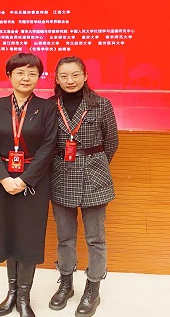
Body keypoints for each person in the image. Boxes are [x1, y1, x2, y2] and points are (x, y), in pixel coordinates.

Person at [0, 52, 58, 317]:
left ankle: (24, 296)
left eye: (32, 73)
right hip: (1, 180)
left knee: (28, 236)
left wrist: (24, 180)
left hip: (33, 182)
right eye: (20, 72)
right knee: (7, 233)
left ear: (39, 77)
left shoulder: (47, 108)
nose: (26, 78)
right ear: (9, 75)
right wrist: (4, 178)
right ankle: (11, 293)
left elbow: (49, 147)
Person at [48, 56, 119, 317]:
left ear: (85, 76)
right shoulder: (49, 106)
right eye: (64, 76)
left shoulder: (101, 104)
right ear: (56, 79)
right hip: (61, 175)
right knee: (65, 237)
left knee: (95, 238)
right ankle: (66, 283)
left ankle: (93, 288)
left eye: (75, 75)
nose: (70, 80)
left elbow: (112, 142)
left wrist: (94, 163)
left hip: (94, 176)